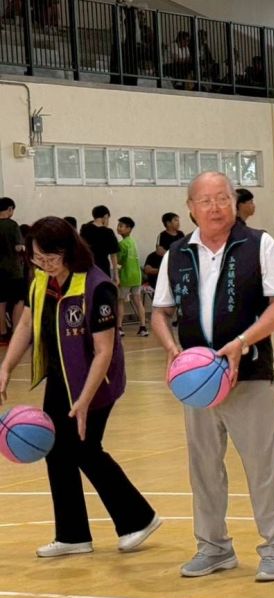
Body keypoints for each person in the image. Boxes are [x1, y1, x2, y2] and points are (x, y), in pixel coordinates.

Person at [151, 172, 274, 581]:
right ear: (190, 207)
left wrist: (243, 341)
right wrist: (171, 348)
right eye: (205, 200)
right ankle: (213, 547)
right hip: (196, 381)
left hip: (249, 373)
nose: (215, 207)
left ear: (234, 201)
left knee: (263, 465)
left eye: (222, 198)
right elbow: (160, 311)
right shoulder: (177, 253)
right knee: (204, 468)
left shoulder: (260, 245)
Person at [0, 217, 161, 557]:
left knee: (84, 448)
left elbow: (104, 351)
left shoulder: (97, 287)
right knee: (56, 451)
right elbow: (26, 323)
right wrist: (5, 367)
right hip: (60, 377)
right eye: (37, 258)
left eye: (50, 258)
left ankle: (138, 518)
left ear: (68, 250)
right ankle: (72, 535)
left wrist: (85, 400)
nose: (44, 264)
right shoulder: (40, 279)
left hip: (96, 381)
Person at [235, 189, 274, 371]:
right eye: (250, 202)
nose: (254, 206)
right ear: (239, 205)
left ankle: (269, 356)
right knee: (254, 322)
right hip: (245, 288)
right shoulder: (241, 234)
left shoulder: (252, 234)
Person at [0, 197, 26, 344]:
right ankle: (16, 331)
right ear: (10, 209)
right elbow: (18, 247)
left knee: (1, 301)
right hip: (13, 269)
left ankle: (2, 332)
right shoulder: (12, 225)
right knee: (18, 300)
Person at [115, 216, 147, 336]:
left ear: (129, 229)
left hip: (126, 276)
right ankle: (143, 327)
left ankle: (119, 328)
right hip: (137, 276)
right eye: (118, 225)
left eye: (121, 226)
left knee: (120, 301)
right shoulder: (133, 242)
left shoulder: (122, 244)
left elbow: (119, 260)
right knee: (138, 301)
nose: (118, 228)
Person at [80, 205, 120, 281]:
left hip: (87, 267)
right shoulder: (108, 232)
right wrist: (116, 274)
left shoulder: (85, 229)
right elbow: (113, 255)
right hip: (103, 267)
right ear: (105, 216)